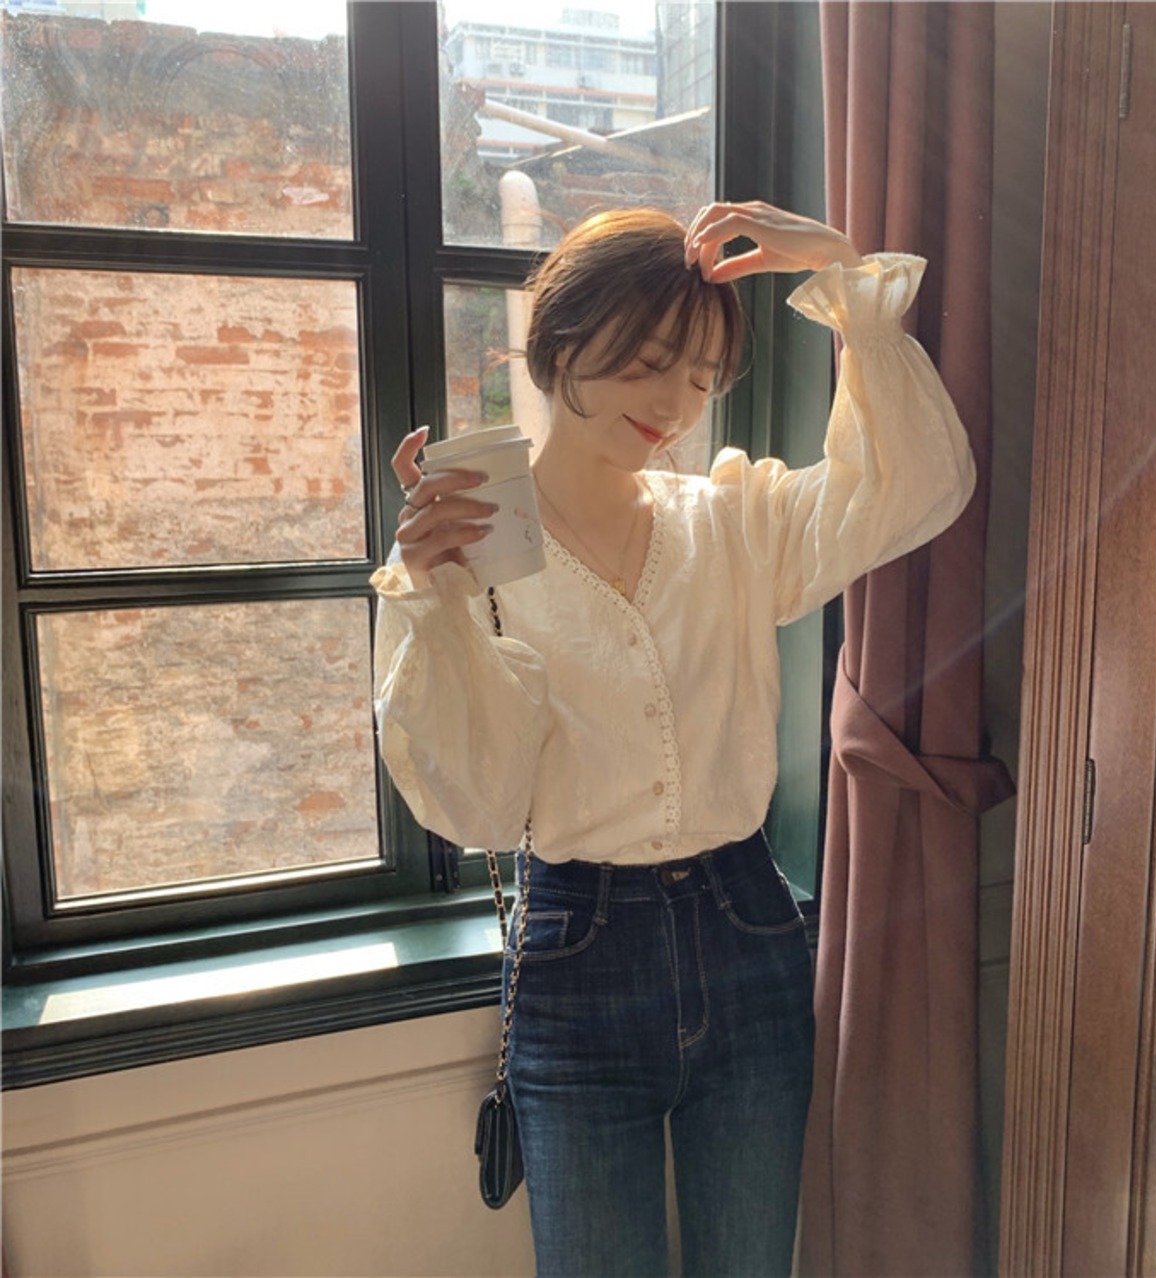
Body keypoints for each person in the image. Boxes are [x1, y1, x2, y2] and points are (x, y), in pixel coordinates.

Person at [371, 201, 975, 1278]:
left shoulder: (731, 522)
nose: (673, 404)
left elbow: (915, 487)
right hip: (577, 957)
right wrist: (432, 599)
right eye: (647, 364)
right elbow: (478, 810)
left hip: (746, 931)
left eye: (700, 376)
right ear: (560, 345)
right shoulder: (468, 556)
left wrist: (847, 283)